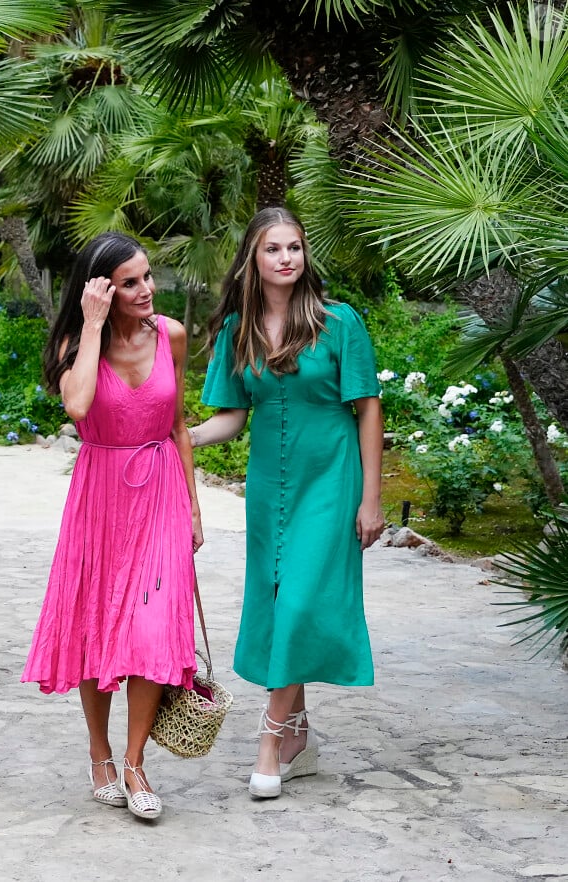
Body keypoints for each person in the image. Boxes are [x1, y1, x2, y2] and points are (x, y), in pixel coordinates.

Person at [189, 206, 384, 799]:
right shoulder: (236, 332)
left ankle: (271, 739)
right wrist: (183, 438)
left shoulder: (339, 322)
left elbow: (369, 408)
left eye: (295, 247)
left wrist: (371, 497)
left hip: (330, 479)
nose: (287, 259)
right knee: (277, 605)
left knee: (299, 602)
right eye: (274, 249)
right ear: (253, 257)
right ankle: (298, 733)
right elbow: (231, 418)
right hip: (269, 490)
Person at [22, 232, 203, 820]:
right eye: (129, 282)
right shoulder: (80, 342)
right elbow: (76, 405)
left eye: (147, 277)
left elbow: (179, 426)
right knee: (97, 627)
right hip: (99, 498)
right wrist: (93, 324)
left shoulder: (170, 335)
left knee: (150, 631)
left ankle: (134, 762)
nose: (146, 290)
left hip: (161, 494)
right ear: (100, 289)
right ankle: (99, 754)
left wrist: (194, 508)